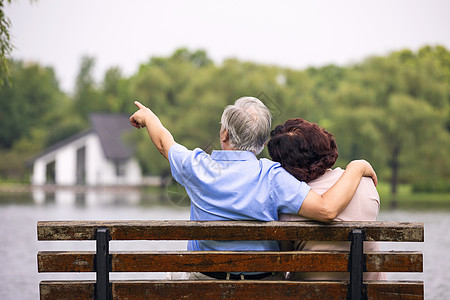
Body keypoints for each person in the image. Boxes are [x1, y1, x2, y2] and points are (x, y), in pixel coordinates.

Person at [129, 96, 377, 281]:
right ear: (262, 143)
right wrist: (357, 167)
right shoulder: (274, 177)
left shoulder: (197, 168)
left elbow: (164, 143)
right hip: (263, 286)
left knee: (175, 275)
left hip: (206, 282)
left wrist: (149, 116)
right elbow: (326, 209)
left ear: (224, 134)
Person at [267, 118, 383, 280]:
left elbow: (283, 265)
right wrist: (359, 165)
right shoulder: (366, 184)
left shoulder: (292, 205)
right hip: (370, 294)